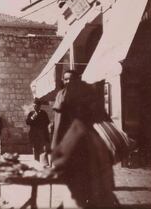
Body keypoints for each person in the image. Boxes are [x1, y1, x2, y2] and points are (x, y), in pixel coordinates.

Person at [50, 70, 119, 208]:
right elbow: (58, 123)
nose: (68, 82)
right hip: (73, 140)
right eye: (66, 79)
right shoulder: (62, 95)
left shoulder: (81, 93)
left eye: (71, 79)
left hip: (84, 141)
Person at [26, 98, 50, 164]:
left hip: (42, 135)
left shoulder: (44, 113)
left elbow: (47, 122)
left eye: (36, 106)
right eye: (34, 106)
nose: (34, 107)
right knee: (35, 150)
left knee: (43, 151)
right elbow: (27, 122)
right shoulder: (31, 113)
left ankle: (44, 164)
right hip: (34, 136)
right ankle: (36, 163)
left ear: (39, 106)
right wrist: (33, 117)